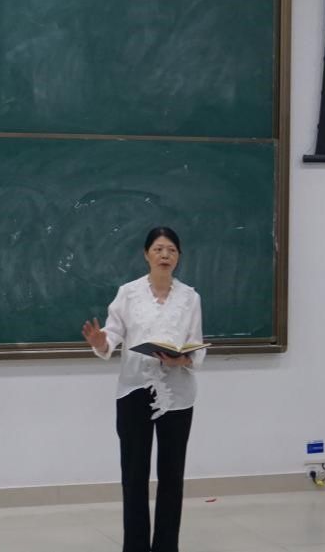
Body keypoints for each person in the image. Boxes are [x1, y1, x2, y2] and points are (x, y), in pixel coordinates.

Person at [81, 226, 205, 552]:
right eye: (158, 249)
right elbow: (112, 334)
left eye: (171, 250)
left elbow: (196, 344)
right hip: (134, 392)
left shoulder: (190, 298)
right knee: (134, 476)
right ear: (146, 254)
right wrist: (100, 341)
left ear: (179, 257)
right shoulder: (128, 293)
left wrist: (183, 359)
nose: (165, 255)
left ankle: (166, 547)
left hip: (177, 396)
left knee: (172, 477)